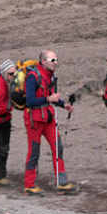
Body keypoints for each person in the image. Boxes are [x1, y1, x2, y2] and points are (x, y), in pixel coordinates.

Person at [23, 50, 75, 195]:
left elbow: (52, 97)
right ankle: (29, 184)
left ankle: (62, 182)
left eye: (56, 60)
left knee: (58, 147)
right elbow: (30, 101)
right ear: (43, 61)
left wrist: (63, 104)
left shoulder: (52, 77)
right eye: (53, 60)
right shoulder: (32, 77)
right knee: (34, 151)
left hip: (48, 118)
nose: (56, 63)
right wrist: (48, 100)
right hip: (34, 120)